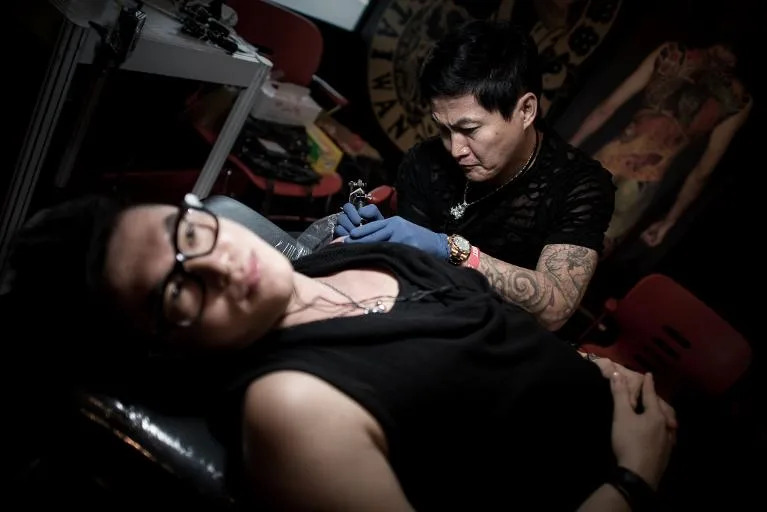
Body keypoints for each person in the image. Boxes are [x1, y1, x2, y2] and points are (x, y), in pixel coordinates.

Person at [8, 193, 676, 511]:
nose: (214, 263)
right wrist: (633, 477)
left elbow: (502, 343)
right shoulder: (291, 405)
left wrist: (587, 370)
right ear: (160, 349)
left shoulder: (347, 260)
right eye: (174, 292)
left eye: (189, 230)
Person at [335, 20, 615, 332]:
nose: (455, 149)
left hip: (501, 339)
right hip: (423, 316)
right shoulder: (425, 161)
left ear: (525, 111)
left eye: (469, 130)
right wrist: (376, 239)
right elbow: (411, 273)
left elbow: (556, 307)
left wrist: (456, 251)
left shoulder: (580, 185)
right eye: (444, 129)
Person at [569, 40, 753, 257]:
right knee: (579, 265)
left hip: (607, 161)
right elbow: (703, 171)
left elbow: (605, 109)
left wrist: (567, 149)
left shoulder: (671, 53)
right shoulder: (738, 99)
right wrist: (669, 221)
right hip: (642, 184)